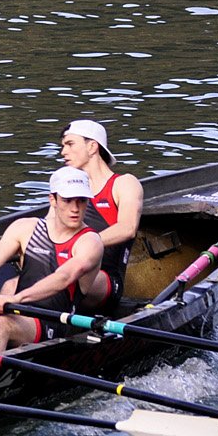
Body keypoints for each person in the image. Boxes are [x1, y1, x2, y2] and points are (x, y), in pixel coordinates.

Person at [0, 167, 105, 351]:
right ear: (52, 200)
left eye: (82, 201)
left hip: (54, 322)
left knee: (2, 325)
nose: (75, 209)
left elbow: (63, 277)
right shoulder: (24, 228)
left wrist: (17, 298)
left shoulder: (90, 241)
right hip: (18, 311)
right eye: (67, 200)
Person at [61, 119, 142, 312]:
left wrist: (79, 246)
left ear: (92, 147)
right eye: (63, 146)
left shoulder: (124, 183)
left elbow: (128, 228)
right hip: (66, 268)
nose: (63, 152)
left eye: (70, 144)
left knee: (69, 276)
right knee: (12, 285)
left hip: (105, 280)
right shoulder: (67, 190)